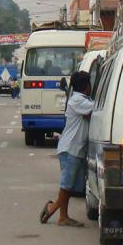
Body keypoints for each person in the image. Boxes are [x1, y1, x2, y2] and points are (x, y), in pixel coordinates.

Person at [40, 71, 94, 227]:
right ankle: (53, 209)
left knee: (69, 186)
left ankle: (63, 217)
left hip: (74, 148)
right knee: (66, 185)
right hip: (71, 148)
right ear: (86, 86)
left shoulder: (82, 100)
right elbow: (98, 109)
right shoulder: (78, 101)